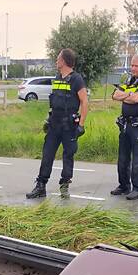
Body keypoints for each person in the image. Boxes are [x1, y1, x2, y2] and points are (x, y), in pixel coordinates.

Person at [26, 48, 88, 199]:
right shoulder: (58, 77)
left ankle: (64, 186)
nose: (56, 60)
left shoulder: (76, 79)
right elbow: (55, 101)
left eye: (58, 58)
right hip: (54, 124)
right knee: (47, 155)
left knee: (68, 155)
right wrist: (48, 119)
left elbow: (84, 102)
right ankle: (41, 186)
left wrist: (81, 124)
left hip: (69, 126)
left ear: (64, 61)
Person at [111, 55, 138, 201]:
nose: (133, 68)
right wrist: (129, 94)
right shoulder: (129, 80)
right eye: (132, 65)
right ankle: (124, 186)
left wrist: (129, 96)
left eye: (136, 66)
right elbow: (115, 95)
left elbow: (137, 98)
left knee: (137, 159)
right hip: (125, 124)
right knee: (123, 158)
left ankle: (137, 189)